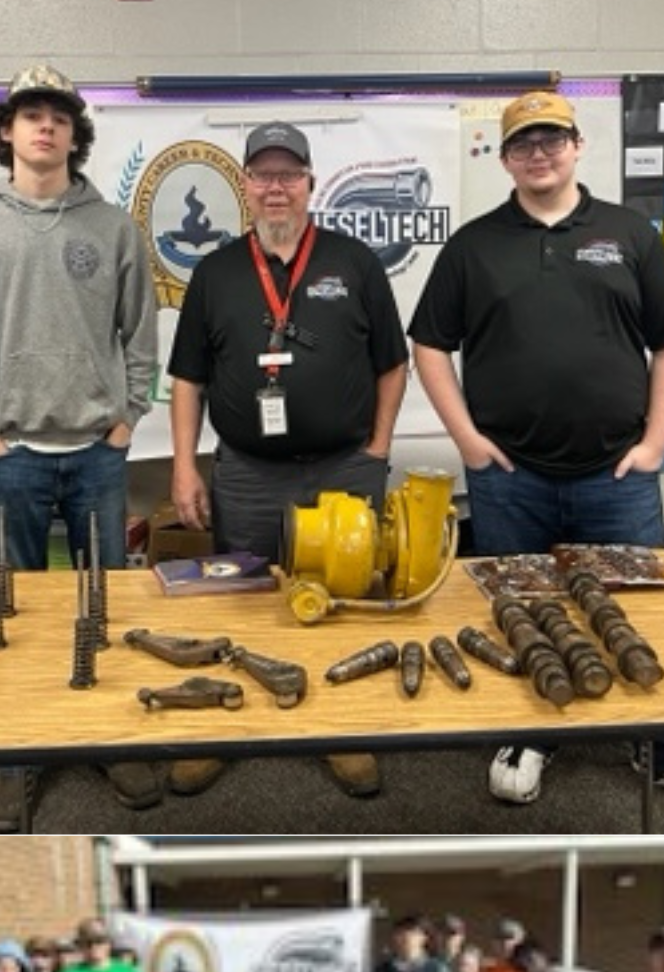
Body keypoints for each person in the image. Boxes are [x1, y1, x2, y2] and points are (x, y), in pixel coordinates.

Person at [409, 90, 664, 824]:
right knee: (520, 612)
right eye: (524, 143)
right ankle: (534, 738)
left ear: (578, 145)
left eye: (552, 139)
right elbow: (430, 344)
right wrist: (466, 439)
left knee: (641, 616)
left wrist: (654, 442)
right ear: (506, 157)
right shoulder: (475, 246)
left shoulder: (629, 234)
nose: (539, 152)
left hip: (614, 476)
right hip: (510, 479)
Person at [0, 64, 161, 828]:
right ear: (6, 131)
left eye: (59, 117)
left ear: (75, 133)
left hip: (99, 450)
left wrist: (129, 415)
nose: (45, 127)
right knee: (18, 612)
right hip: (16, 457)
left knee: (110, 602)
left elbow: (140, 328)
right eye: (30, 115)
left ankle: (110, 734)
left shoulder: (113, 227)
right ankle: (22, 750)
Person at [165, 120, 408, 802]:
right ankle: (224, 724)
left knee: (342, 602)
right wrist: (185, 465)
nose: (277, 188)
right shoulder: (214, 273)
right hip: (246, 470)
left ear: (309, 182)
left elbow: (393, 364)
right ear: (246, 186)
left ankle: (340, 729)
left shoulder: (354, 262)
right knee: (240, 602)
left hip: (342, 467)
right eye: (263, 176)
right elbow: (188, 377)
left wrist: (379, 446)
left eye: (289, 174)